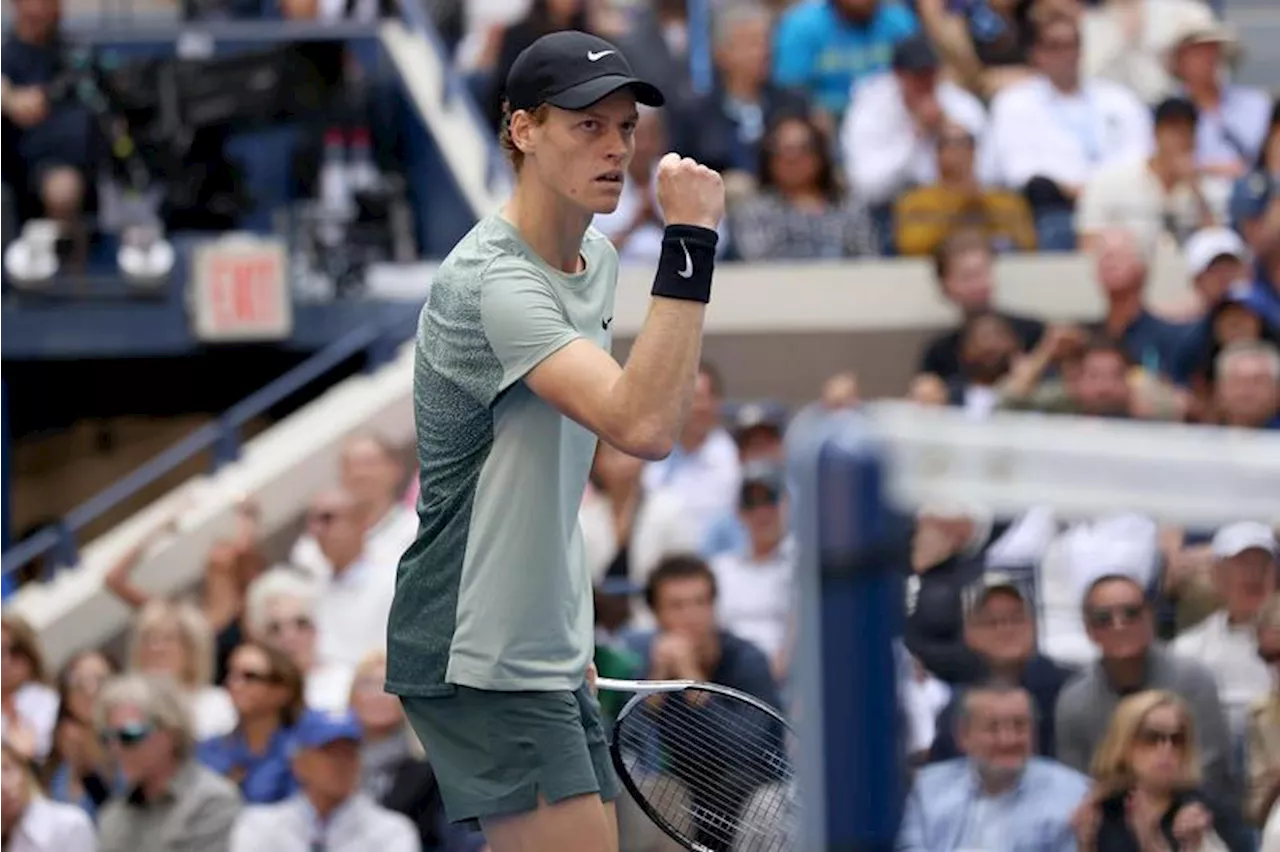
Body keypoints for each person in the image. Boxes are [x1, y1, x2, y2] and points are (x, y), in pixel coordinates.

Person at [384, 27, 726, 852]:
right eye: (587, 125)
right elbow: (641, 427)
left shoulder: (597, 261)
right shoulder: (493, 283)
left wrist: (564, 624)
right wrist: (691, 244)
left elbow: (603, 442)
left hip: (538, 636)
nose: (616, 149)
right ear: (522, 131)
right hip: (473, 643)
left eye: (626, 127)